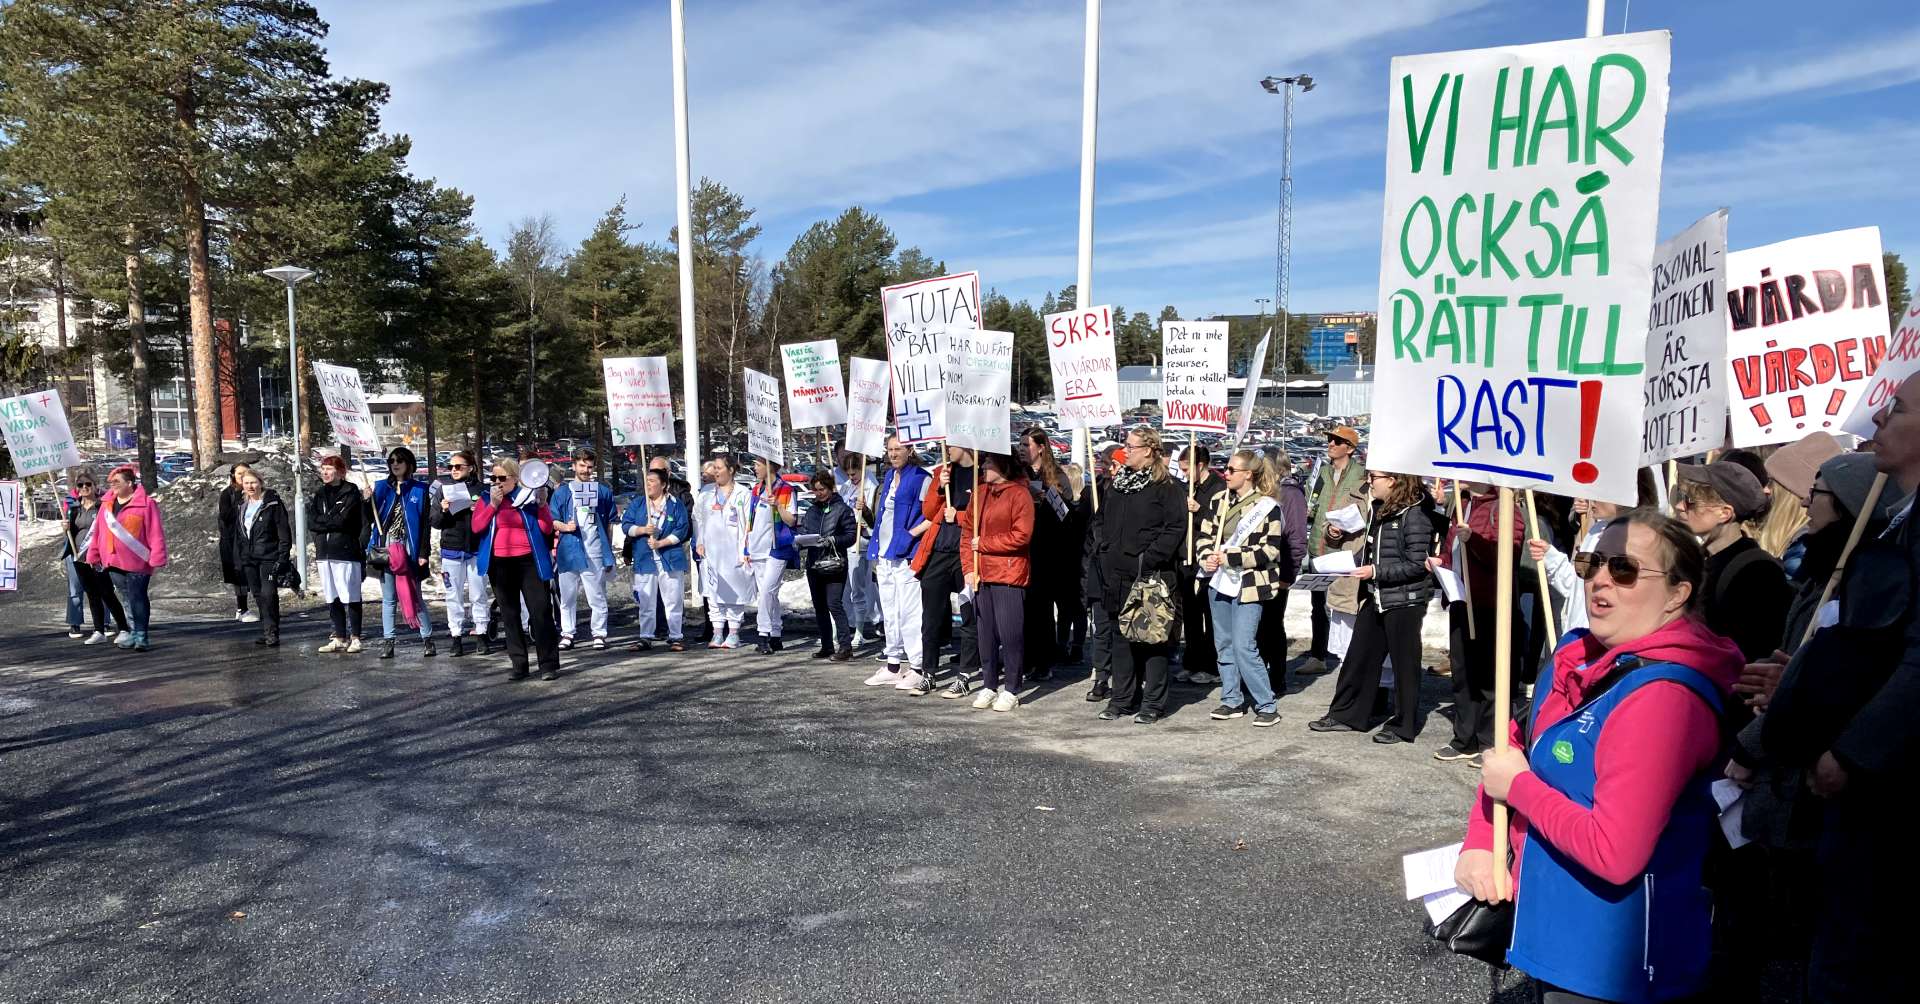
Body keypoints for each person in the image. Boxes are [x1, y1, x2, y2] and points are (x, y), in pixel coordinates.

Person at [1455, 510, 1742, 1004]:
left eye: (1625, 569)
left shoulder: (1664, 697)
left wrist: (1519, 788)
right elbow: (1514, 748)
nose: (1601, 579)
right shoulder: (1575, 657)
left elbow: (1614, 853)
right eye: (1593, 563)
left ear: (1678, 593)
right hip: (1554, 927)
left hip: (1613, 960)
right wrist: (1482, 838)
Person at [1754, 372, 1920, 1001]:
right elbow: (1873, 654)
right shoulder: (1898, 529)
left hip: (1884, 803)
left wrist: (1849, 753)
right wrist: (1798, 683)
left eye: (1898, 408)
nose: (1878, 417)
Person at [1310, 472, 1438, 742]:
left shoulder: (1415, 514)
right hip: (1377, 594)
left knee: (1405, 665)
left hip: (1404, 599)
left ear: (1393, 480)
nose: (1369, 481)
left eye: (1375, 477)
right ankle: (1347, 714)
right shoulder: (1381, 509)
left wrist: (1375, 571)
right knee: (1359, 657)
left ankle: (1403, 725)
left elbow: (1418, 564)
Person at [1193, 449, 1291, 727]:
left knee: (1244, 645)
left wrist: (1230, 556)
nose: (1226, 473)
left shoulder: (1267, 507)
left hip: (1250, 584)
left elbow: (1270, 550)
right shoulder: (1218, 501)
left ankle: (1266, 704)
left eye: (1232, 470)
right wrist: (1206, 556)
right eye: (1226, 468)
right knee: (1223, 644)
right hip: (1219, 581)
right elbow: (1204, 536)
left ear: (1248, 474)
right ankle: (1231, 699)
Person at [1096, 426, 1186, 725]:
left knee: (1151, 640)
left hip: (1150, 576)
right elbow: (1101, 520)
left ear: (1148, 450)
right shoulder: (1118, 484)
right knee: (1121, 639)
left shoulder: (1167, 487)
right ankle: (1122, 698)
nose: (1126, 450)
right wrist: (1102, 545)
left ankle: (1153, 702)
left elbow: (1175, 528)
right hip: (1115, 574)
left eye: (1131, 446)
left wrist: (1148, 559)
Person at [1433, 481, 1526, 764]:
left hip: (1490, 604)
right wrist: (1442, 561)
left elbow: (1506, 556)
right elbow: (1453, 552)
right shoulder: (1461, 505)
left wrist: (1472, 539)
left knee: (1489, 676)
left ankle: (1489, 740)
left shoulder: (1505, 507)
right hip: (1461, 600)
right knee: (1463, 674)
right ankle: (1465, 738)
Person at [1674, 461, 1794, 664]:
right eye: (1678, 497)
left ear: (1725, 513)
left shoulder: (1758, 572)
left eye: (1689, 501)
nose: (1678, 506)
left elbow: (1753, 653)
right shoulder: (1698, 559)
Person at [472, 458, 561, 680]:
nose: (497, 482)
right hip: (500, 563)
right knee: (509, 615)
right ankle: (519, 663)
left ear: (514, 478)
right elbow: (477, 527)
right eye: (493, 478)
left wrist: (542, 506)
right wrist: (493, 506)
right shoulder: (487, 499)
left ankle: (548, 664)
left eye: (502, 478)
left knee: (540, 612)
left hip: (529, 561)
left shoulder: (527, 498)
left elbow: (546, 527)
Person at [961, 452, 1034, 712]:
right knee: (985, 634)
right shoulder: (979, 493)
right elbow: (967, 532)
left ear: (1002, 465)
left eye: (988, 463)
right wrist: (968, 567)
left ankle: (1012, 687)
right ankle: (989, 684)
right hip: (982, 574)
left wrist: (985, 545)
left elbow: (1022, 536)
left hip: (1009, 574)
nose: (983, 466)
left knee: (1010, 633)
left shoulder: (1020, 494)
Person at [862, 434, 933, 688]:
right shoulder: (890, 477)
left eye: (898, 449)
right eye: (890, 449)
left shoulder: (921, 478)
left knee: (910, 612)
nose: (892, 454)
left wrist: (910, 534)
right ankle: (893, 663)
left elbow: (932, 515)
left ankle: (917, 665)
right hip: (884, 553)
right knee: (890, 611)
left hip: (907, 555)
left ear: (910, 450)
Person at [1301, 426, 1367, 674]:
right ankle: (1317, 655)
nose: (1331, 444)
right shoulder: (1321, 472)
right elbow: (1312, 501)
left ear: (1349, 448)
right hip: (1318, 547)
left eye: (1337, 441)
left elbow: (1364, 509)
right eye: (1330, 439)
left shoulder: (1360, 475)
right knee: (1318, 605)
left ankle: (1349, 653)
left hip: (1344, 551)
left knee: (1346, 604)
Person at [916, 444, 977, 697]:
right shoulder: (944, 471)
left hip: (965, 555)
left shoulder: (981, 474)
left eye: (950, 445)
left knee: (968, 615)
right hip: (940, 551)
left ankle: (965, 675)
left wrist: (960, 517)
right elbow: (928, 511)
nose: (946, 449)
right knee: (930, 617)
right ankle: (928, 672)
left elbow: (984, 516)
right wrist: (940, 488)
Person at [87, 465, 167, 652]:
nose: (112, 485)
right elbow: (99, 531)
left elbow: (155, 532)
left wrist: (157, 554)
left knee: (137, 596)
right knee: (125, 597)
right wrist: (94, 553)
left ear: (129, 483)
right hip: (113, 560)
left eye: (117, 482)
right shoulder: (106, 505)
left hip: (138, 560)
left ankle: (141, 635)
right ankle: (133, 631)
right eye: (111, 482)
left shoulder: (147, 504)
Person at [368, 447, 435, 659]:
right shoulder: (381, 488)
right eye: (392, 461)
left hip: (410, 549)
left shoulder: (419, 489)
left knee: (415, 595)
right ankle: (388, 641)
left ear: (409, 464)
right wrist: (366, 500)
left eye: (399, 460)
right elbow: (368, 517)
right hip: (386, 548)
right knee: (388, 599)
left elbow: (425, 524)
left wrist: (424, 552)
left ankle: (427, 639)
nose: (395, 464)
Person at [1020, 427, 1075, 681]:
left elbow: (1067, 515)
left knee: (1042, 610)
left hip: (1048, 552)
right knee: (1025, 609)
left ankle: (1045, 660)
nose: (1022, 449)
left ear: (1040, 447)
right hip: (1022, 549)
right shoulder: (1018, 474)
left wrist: (1047, 496)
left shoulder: (1056, 476)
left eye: (1026, 445)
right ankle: (1027, 659)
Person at [1257, 447, 1310, 694]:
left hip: (1280, 571)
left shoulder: (1291, 493)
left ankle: (1277, 678)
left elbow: (1297, 537)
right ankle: (1260, 676)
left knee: (1272, 626)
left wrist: (1289, 574)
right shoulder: (1265, 491)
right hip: (1259, 569)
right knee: (1257, 626)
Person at [552, 448, 616, 651]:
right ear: (573, 466)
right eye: (582, 465)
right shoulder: (562, 492)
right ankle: (567, 633)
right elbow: (552, 520)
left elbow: (609, 522)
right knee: (567, 596)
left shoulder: (602, 491)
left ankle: (599, 633)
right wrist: (565, 527)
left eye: (589, 466)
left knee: (596, 595)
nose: (586, 470)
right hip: (569, 549)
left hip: (594, 550)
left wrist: (608, 551)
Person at [624, 466, 692, 651]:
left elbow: (682, 529)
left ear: (663, 485)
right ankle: (646, 636)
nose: (648, 484)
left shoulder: (675, 504)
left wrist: (661, 543)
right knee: (646, 601)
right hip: (645, 559)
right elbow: (626, 525)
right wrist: (641, 530)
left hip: (669, 558)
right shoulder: (639, 503)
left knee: (673, 599)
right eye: (646, 481)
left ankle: (676, 636)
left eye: (652, 481)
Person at [431, 451, 492, 656]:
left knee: (478, 594)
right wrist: (443, 510)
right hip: (452, 550)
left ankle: (481, 632)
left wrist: (480, 510)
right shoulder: (443, 489)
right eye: (451, 467)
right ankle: (456, 635)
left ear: (471, 468)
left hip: (475, 549)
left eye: (459, 466)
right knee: (453, 594)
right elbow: (436, 522)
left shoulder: (482, 489)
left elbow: (492, 518)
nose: (454, 470)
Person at [1175, 443, 1227, 686]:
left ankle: (1211, 665)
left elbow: (1222, 523)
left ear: (1200, 466)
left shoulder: (1219, 488)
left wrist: (1201, 510)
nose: (1184, 474)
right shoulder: (1188, 487)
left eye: (1187, 469)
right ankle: (1192, 661)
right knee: (1191, 615)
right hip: (1188, 559)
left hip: (1208, 561)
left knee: (1209, 615)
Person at [310, 456, 370, 654]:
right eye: (323, 469)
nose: (325, 473)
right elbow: (312, 521)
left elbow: (344, 520)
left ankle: (356, 637)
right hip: (324, 552)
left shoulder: (350, 492)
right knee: (332, 596)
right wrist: (327, 522)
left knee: (350, 595)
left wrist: (325, 521)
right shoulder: (319, 494)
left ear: (340, 472)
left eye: (329, 469)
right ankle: (339, 636)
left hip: (345, 551)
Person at [797, 468, 858, 661]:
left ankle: (845, 646)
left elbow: (850, 536)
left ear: (831, 488)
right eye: (815, 490)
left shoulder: (842, 510)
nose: (819, 493)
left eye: (822, 489)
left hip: (834, 564)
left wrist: (833, 540)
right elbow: (805, 531)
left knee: (834, 604)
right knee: (820, 606)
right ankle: (827, 645)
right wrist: (800, 542)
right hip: (815, 564)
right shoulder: (812, 510)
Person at [696, 453, 754, 649]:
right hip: (711, 552)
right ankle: (717, 632)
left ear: (731, 470)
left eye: (719, 468)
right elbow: (699, 520)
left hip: (734, 551)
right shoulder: (706, 493)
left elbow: (747, 525)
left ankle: (734, 633)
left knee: (734, 593)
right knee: (713, 593)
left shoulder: (743, 493)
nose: (716, 471)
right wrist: (699, 541)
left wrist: (745, 550)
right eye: (714, 468)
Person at [61, 471, 127, 644]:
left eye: (88, 484)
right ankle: (98, 630)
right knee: (92, 594)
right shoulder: (74, 509)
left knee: (106, 593)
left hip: (98, 556)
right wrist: (65, 528)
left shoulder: (103, 506)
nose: (84, 488)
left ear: (95, 486)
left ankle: (124, 628)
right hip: (79, 557)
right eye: (80, 485)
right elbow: (72, 533)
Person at [1079, 445, 1120, 702]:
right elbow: (1082, 537)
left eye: (1112, 464)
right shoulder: (1094, 491)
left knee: (1120, 630)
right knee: (1101, 629)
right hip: (1097, 571)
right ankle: (1101, 678)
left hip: (1120, 571)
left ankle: (1124, 679)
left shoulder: (1132, 492)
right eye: (1107, 464)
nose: (1108, 469)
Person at [745, 456, 798, 654]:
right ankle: (776, 633)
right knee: (769, 594)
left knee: (767, 590)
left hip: (777, 547)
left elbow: (792, 520)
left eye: (757, 465)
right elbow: (751, 519)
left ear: (770, 466)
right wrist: (747, 545)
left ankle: (763, 634)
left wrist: (778, 505)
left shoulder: (785, 489)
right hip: (757, 548)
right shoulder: (756, 489)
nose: (754, 468)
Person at [234, 469, 293, 647]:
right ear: (242, 486)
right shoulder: (242, 505)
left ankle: (272, 632)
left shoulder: (273, 504)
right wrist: (239, 556)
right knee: (258, 594)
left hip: (269, 556)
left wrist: (283, 556)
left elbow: (283, 531)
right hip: (249, 558)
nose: (250, 486)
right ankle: (267, 629)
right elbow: (240, 532)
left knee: (269, 594)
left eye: (253, 482)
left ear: (260, 482)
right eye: (246, 483)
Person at [836, 451, 881, 642]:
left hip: (861, 542)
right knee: (845, 588)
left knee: (858, 588)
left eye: (854, 474)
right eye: (848, 473)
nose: (851, 477)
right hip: (846, 542)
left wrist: (864, 515)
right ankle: (849, 625)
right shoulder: (846, 488)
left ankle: (861, 631)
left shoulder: (871, 486)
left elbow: (873, 516)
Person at [217, 463, 257, 624]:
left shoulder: (256, 493)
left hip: (252, 540)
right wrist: (240, 502)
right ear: (233, 475)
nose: (242, 476)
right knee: (239, 574)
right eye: (239, 473)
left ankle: (262, 607)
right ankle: (242, 608)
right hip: (233, 542)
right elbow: (225, 516)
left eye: (245, 473)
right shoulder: (228, 494)